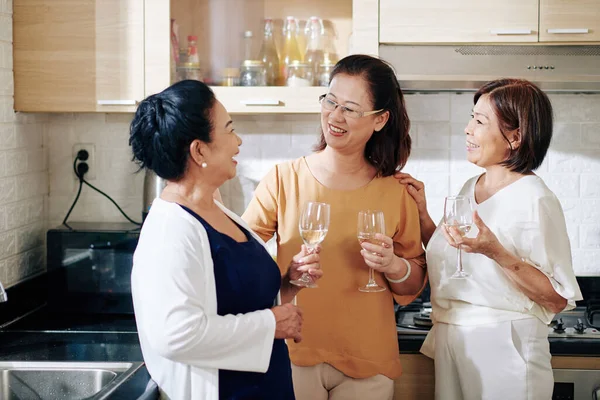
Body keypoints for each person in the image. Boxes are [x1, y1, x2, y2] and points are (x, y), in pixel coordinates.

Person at [242, 54, 427, 400]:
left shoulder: (397, 191)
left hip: (368, 362)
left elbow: (412, 286)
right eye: (330, 101)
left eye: (351, 108)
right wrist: (286, 276)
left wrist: (392, 265)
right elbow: (240, 259)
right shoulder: (284, 180)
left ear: (380, 119)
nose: (335, 116)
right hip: (294, 353)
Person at [129, 80, 322, 400]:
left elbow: (237, 304)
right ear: (199, 150)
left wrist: (289, 284)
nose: (238, 141)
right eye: (229, 129)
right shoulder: (171, 231)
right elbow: (175, 337)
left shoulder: (214, 211)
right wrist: (271, 325)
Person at [397, 78, 583, 400]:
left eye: (480, 121)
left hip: (504, 347)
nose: (468, 129)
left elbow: (555, 299)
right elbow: (456, 255)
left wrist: (496, 252)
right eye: (472, 117)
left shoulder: (535, 199)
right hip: (453, 341)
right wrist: (423, 215)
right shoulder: (472, 186)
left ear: (515, 136)